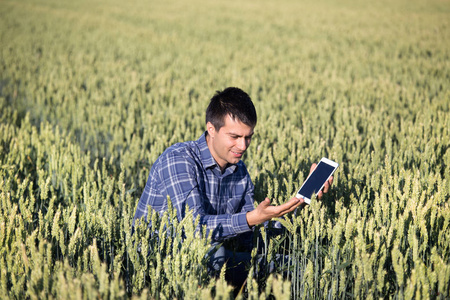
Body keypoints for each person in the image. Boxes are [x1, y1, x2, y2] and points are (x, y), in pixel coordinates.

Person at [133, 87, 333, 288]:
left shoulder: (239, 171)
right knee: (214, 253)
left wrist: (300, 202)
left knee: (295, 266)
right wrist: (251, 218)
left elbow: (251, 237)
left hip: (210, 258)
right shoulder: (178, 160)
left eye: (248, 137)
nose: (243, 146)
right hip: (155, 263)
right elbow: (194, 228)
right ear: (211, 129)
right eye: (235, 137)